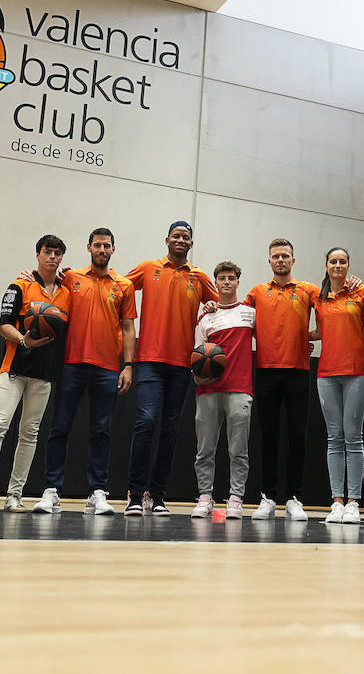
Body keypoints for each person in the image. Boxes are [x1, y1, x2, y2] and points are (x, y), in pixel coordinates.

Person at [0, 235, 69, 513]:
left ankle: (15, 496)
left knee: (30, 434)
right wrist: (24, 340)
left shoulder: (67, 291)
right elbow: (3, 326)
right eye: (48, 252)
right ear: (37, 254)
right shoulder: (19, 285)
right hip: (14, 369)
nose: (53, 257)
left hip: (44, 375)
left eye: (58, 253)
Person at [34, 228, 136, 516]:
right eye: (97, 245)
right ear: (89, 247)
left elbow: (128, 328)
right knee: (60, 428)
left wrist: (128, 365)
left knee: (101, 431)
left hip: (106, 368)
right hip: (71, 365)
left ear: (113, 250)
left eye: (107, 246)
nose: (102, 249)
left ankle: (97, 492)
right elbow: (46, 283)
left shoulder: (124, 285)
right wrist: (30, 276)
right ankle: (51, 490)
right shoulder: (71, 278)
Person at [124, 220, 219, 517]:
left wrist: (212, 308)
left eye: (186, 237)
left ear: (191, 243)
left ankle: (158, 495)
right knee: (146, 421)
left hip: (182, 364)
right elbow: (117, 286)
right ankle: (135, 494)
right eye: (176, 236)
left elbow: (221, 305)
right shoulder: (149, 268)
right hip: (149, 360)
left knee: (169, 429)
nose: (180, 240)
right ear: (167, 240)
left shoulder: (199, 276)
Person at [245, 239, 321, 522]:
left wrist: (309, 337)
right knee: (269, 436)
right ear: (269, 261)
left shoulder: (308, 290)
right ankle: (267, 497)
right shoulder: (257, 292)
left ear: (293, 260)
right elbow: (240, 323)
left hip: (298, 371)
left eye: (285, 256)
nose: (280, 260)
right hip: (266, 370)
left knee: (298, 437)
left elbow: (331, 310)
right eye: (276, 256)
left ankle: (294, 498)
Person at [312, 247, 364, 525]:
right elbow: (320, 332)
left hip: (357, 373)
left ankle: (354, 502)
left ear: (348, 265)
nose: (338, 265)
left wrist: (361, 334)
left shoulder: (362, 292)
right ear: (326, 265)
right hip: (326, 374)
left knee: (353, 437)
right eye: (333, 261)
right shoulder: (317, 297)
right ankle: (337, 502)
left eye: (343, 261)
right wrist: (297, 337)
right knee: (334, 438)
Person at [192, 261, 256, 520]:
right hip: (208, 391)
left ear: (238, 282)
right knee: (204, 450)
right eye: (222, 278)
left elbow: (272, 340)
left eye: (231, 277)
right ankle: (205, 497)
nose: (227, 282)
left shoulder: (250, 314)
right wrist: (199, 378)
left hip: (240, 389)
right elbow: (196, 356)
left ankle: (235, 498)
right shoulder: (206, 318)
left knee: (238, 451)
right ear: (215, 283)